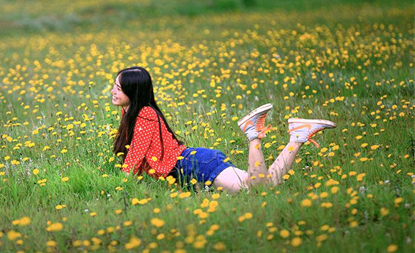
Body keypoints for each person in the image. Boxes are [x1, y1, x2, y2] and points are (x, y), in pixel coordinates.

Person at [111, 66, 336, 193]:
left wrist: (119, 188)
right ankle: (298, 136)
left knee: (256, 191)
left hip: (193, 165)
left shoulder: (145, 115)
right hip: (193, 162)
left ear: (134, 91)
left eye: (118, 88)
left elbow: (134, 157)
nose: (113, 91)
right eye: (114, 85)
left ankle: (252, 134)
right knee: (264, 184)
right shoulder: (132, 111)